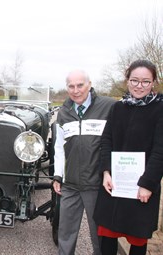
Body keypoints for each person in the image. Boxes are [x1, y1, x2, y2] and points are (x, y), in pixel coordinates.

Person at [93, 60, 163, 255]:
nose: (139, 86)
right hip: (115, 183)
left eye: (145, 82)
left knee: (138, 238)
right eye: (134, 80)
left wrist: (148, 184)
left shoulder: (159, 109)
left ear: (153, 82)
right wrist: (105, 172)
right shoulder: (118, 108)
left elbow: (160, 151)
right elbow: (106, 141)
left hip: (142, 187)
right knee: (107, 234)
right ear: (127, 80)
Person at [52, 70, 115, 255]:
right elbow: (59, 147)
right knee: (65, 233)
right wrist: (58, 176)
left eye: (80, 85)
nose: (76, 90)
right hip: (70, 185)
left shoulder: (108, 106)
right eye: (71, 86)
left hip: (96, 185)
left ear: (89, 84)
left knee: (99, 235)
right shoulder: (64, 112)